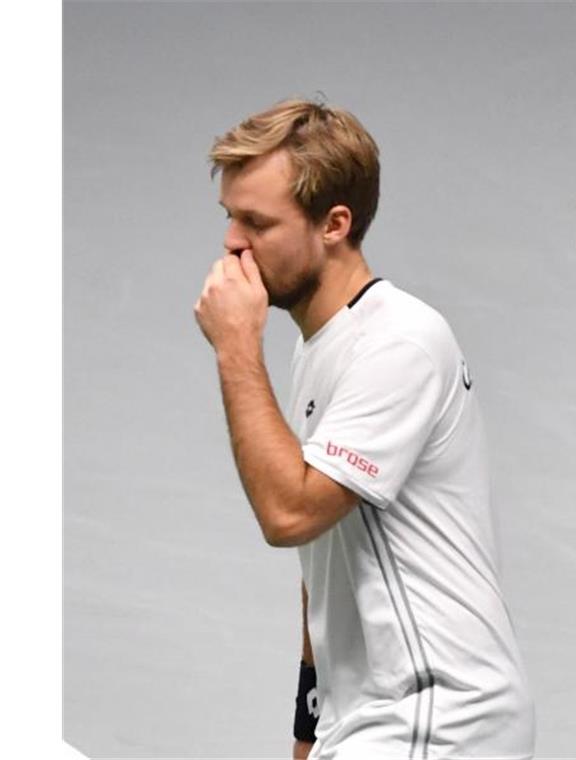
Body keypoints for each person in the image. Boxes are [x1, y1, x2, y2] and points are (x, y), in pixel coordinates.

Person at [195, 99, 534, 760]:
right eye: (230, 217)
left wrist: (237, 348)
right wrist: (308, 723)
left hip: (436, 713)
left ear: (334, 224)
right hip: (372, 721)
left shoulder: (397, 344)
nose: (232, 242)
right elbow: (322, 558)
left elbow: (289, 513)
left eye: (256, 222)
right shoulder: (321, 346)